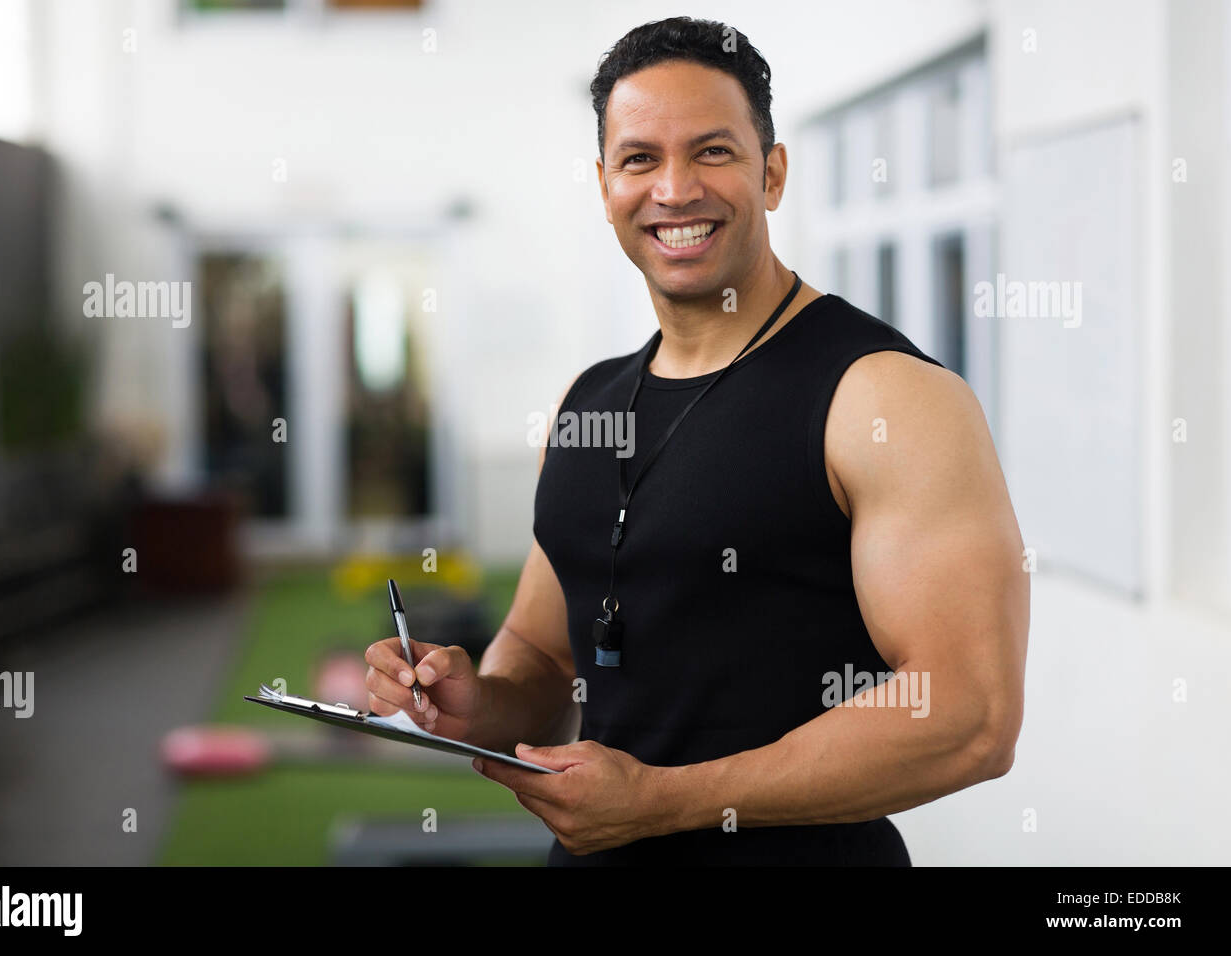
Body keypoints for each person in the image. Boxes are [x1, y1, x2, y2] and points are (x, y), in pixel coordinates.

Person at [364, 16, 1029, 865]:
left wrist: (662, 803)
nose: (674, 190)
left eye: (712, 151)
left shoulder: (883, 396)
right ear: (604, 183)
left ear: (773, 172)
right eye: (640, 158)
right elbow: (541, 655)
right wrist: (473, 703)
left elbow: (970, 716)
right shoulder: (586, 403)